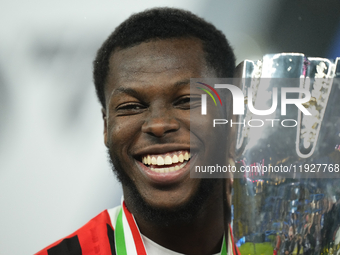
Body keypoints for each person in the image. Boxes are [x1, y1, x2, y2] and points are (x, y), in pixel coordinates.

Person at [36, 7, 238, 255]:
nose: (158, 124)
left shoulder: (285, 244)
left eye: (187, 101)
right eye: (131, 106)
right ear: (106, 126)